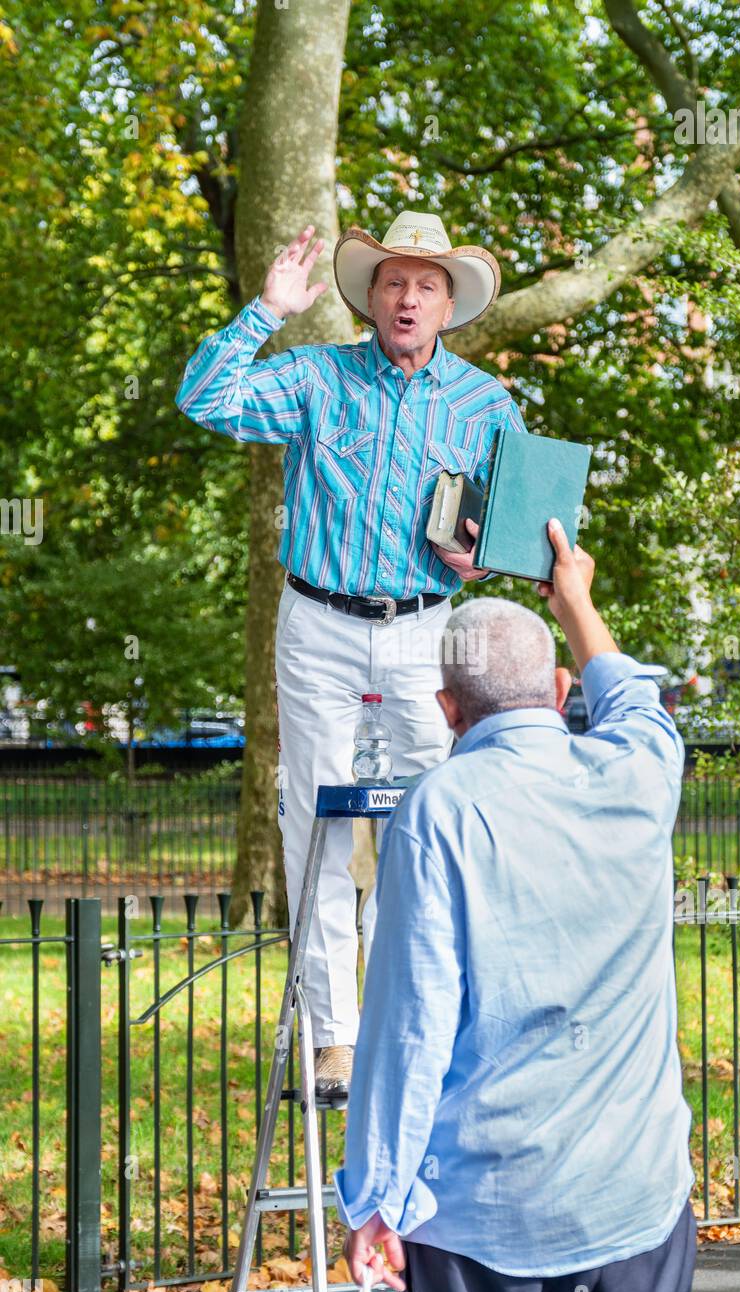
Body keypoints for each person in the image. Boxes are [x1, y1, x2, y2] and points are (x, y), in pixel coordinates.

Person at [175, 211, 526, 1098]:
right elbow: (204, 401)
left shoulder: (487, 405)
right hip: (319, 627)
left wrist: (484, 553)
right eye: (393, 282)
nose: (408, 297)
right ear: (371, 298)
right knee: (318, 827)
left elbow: (524, 531)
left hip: (422, 633)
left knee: (436, 825)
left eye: (426, 285)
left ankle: (433, 1014)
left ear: (450, 305)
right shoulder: (315, 376)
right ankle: (334, 1036)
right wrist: (264, 314)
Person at [334, 519, 696, 1292]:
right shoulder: (638, 771)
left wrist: (377, 1200)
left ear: (445, 709)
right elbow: (633, 696)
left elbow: (412, 1023)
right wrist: (575, 601)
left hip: (486, 1223)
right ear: (561, 690)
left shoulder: (441, 811)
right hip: (640, 1202)